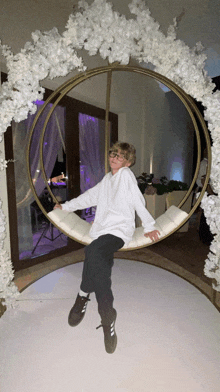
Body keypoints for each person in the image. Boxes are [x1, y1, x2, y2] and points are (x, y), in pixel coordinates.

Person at [54, 142, 160, 354]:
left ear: (128, 162)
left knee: (92, 251)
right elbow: (89, 197)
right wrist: (65, 206)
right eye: (113, 154)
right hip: (103, 230)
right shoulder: (108, 179)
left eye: (119, 156)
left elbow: (139, 201)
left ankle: (89, 301)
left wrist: (149, 225)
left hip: (119, 231)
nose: (114, 158)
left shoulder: (126, 176)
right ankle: (104, 314)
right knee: (98, 257)